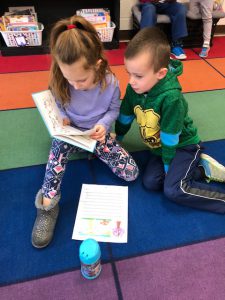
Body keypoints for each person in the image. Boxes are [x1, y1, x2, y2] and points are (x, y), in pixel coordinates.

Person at [31, 15, 139, 248]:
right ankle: (47, 206)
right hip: (69, 132)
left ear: (97, 66)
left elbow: (113, 109)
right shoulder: (62, 78)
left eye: (81, 79)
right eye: (69, 79)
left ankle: (94, 150)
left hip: (95, 134)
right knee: (55, 159)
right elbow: (57, 105)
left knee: (131, 173)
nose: (74, 85)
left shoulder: (110, 82)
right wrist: (62, 117)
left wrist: (103, 125)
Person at [115, 27, 225, 214]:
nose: (132, 81)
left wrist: (168, 167)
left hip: (183, 145)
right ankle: (202, 170)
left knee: (173, 190)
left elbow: (170, 137)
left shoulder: (171, 98)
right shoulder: (135, 89)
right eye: (129, 73)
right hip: (160, 148)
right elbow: (125, 115)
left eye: (138, 76)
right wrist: (117, 138)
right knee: (150, 183)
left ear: (161, 73)